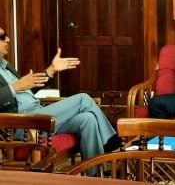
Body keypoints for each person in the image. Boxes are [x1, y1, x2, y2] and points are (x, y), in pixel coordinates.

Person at [0, 27, 118, 171]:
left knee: (88, 119)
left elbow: (26, 89)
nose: (8, 39)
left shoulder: (6, 66)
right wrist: (15, 87)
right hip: (23, 124)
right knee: (83, 99)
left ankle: (96, 175)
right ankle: (111, 142)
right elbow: (16, 90)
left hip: (40, 112)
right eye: (2, 37)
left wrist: (51, 70)